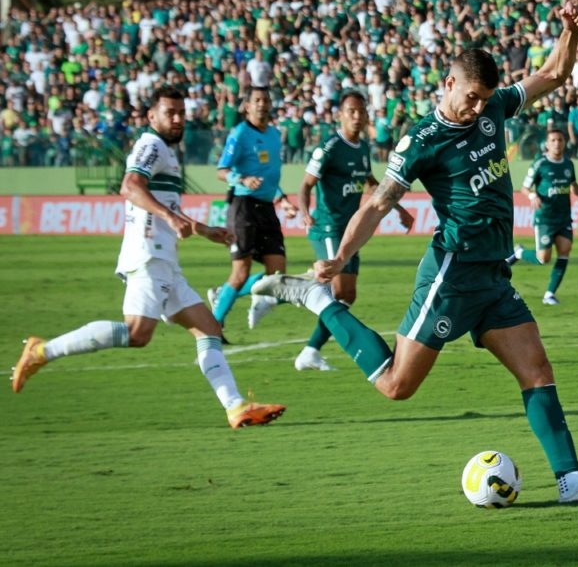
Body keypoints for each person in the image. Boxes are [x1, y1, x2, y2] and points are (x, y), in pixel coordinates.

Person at [253, 0, 578, 504]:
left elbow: (554, 73)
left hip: (494, 278)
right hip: (451, 275)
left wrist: (571, 31)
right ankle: (320, 302)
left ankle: (572, 483)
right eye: (472, 98)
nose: (480, 108)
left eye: (486, 100)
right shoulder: (422, 140)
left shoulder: (495, 106)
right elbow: (378, 202)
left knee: (538, 371)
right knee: (396, 385)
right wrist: (342, 256)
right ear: (450, 84)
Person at [10, 86, 286, 429]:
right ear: (151, 116)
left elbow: (164, 204)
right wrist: (171, 220)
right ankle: (41, 351)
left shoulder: (167, 151)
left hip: (165, 258)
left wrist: (201, 229)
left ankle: (236, 407)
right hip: (148, 254)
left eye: (180, 113)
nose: (176, 119)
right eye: (169, 112)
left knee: (208, 328)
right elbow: (129, 186)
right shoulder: (151, 144)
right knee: (138, 333)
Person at [294, 91, 414, 371]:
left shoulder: (361, 148)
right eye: (351, 111)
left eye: (361, 111)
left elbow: (372, 185)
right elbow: (305, 184)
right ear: (340, 115)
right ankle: (273, 292)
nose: (357, 116)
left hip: (350, 229)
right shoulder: (329, 147)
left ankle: (310, 350)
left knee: (347, 295)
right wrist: (304, 212)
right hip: (327, 226)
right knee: (335, 286)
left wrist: (399, 209)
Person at [207, 87, 298, 333]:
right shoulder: (240, 134)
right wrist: (242, 179)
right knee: (241, 271)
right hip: (243, 207)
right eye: (257, 100)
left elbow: (269, 178)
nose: (263, 104)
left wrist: (283, 199)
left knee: (277, 274)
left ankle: (222, 293)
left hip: (267, 207)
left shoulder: (274, 134)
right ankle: (213, 327)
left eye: (266, 100)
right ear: (247, 106)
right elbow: (221, 170)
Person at [506, 128, 578, 305]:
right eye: (553, 140)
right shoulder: (540, 164)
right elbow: (524, 188)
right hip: (545, 217)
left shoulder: (568, 164)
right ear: (547, 144)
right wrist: (532, 196)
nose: (557, 143)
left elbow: (573, 185)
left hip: (563, 217)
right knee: (542, 258)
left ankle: (549, 294)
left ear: (564, 142)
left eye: (560, 140)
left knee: (565, 250)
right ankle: (520, 252)